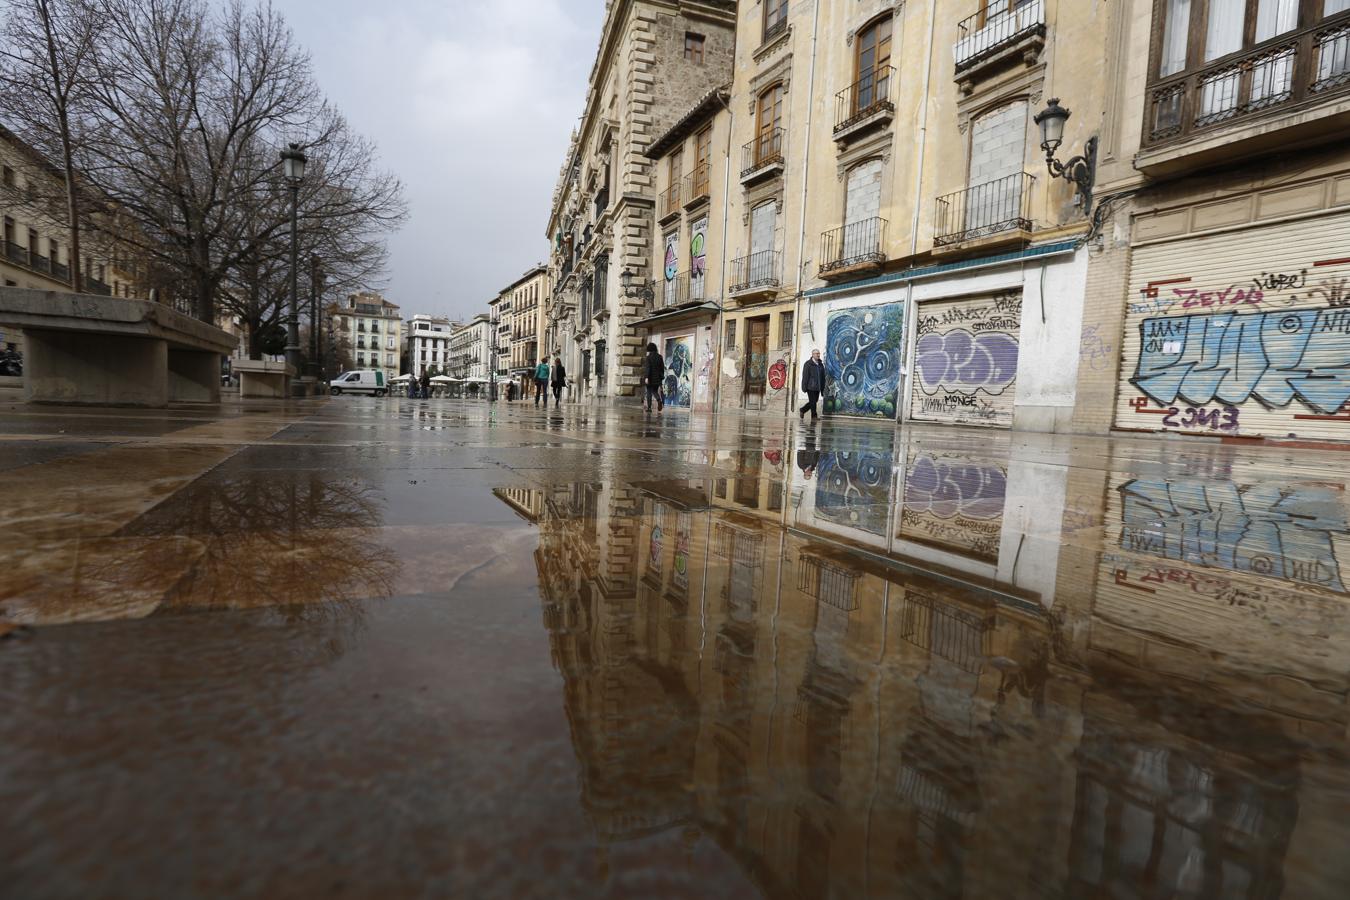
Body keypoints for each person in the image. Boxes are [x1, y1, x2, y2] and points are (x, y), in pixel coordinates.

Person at [800, 349, 826, 421]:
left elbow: (822, 377)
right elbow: (805, 376)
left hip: (818, 387)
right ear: (813, 354)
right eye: (816, 353)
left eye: (819, 353)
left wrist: (822, 388)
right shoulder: (808, 364)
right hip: (810, 386)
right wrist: (804, 387)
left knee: (815, 401)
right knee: (813, 402)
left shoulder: (820, 364)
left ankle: (802, 410)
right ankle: (814, 416)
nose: (818, 355)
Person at [642, 342, 665, 412]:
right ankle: (659, 400)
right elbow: (662, 368)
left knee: (649, 392)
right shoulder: (660, 357)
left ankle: (649, 408)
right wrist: (661, 378)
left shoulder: (648, 357)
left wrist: (646, 377)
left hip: (650, 378)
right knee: (654, 391)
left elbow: (648, 368)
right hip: (657, 378)